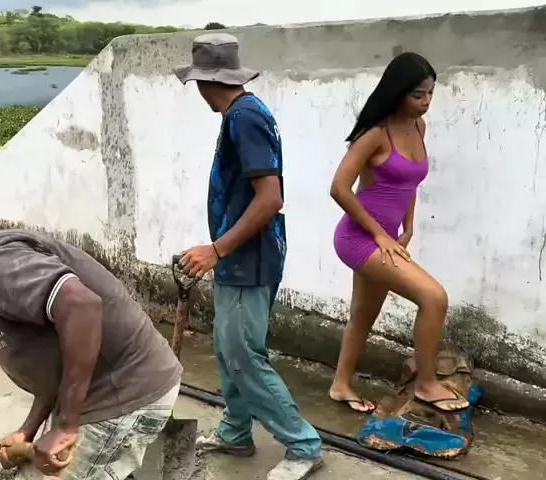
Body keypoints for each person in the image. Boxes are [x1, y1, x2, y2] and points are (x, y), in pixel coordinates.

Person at [0, 189, 183, 479]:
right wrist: (27, 430)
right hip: (97, 393)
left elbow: (81, 305)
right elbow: (51, 366)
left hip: (124, 393)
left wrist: (66, 426)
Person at [173, 33, 323, 480]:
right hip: (239, 255)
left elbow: (270, 198)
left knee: (242, 355)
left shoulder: (245, 117)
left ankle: (303, 445)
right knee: (228, 349)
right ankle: (236, 432)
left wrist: (217, 249)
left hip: (248, 258)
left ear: (205, 82)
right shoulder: (241, 114)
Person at [329, 52, 469, 414]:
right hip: (358, 238)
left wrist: (408, 225)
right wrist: (380, 235)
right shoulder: (375, 134)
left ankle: (340, 386)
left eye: (430, 94)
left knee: (363, 316)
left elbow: (409, 181)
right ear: (397, 92)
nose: (426, 102)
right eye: (417, 95)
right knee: (434, 298)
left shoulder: (418, 127)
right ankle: (426, 385)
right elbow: (339, 189)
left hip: (388, 237)